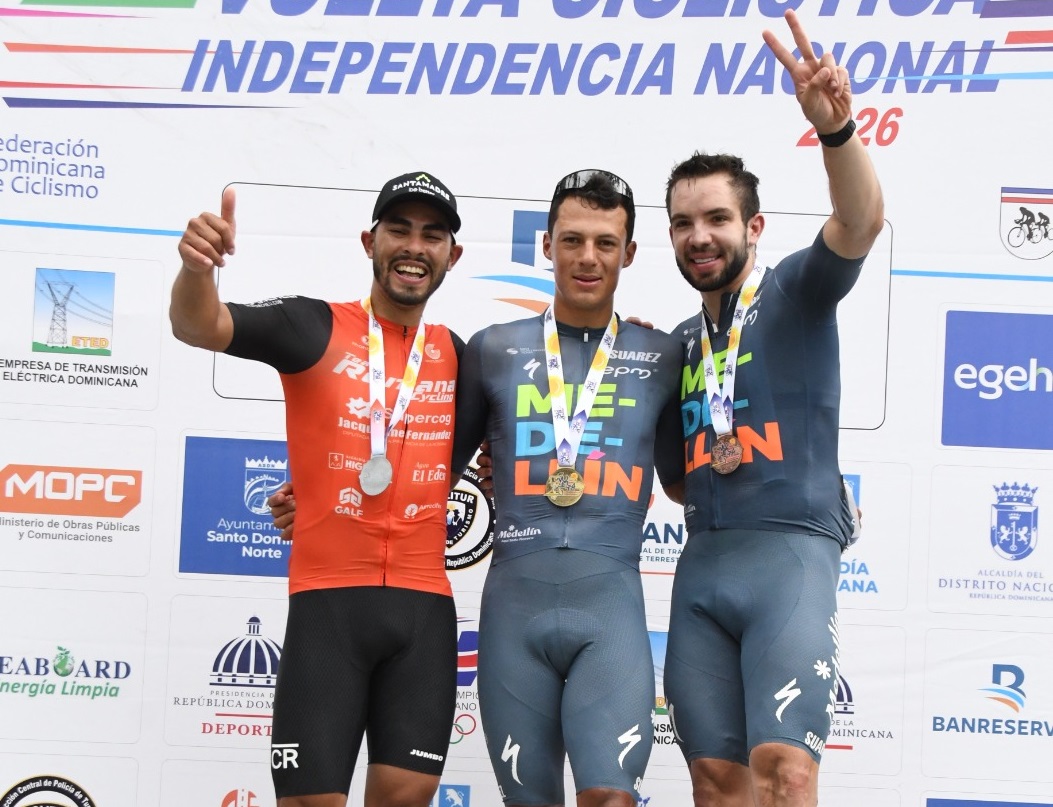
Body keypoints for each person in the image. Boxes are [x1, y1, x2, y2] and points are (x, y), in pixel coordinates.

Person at [171, 172, 466, 807]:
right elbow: (199, 325)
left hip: (423, 613)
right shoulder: (311, 325)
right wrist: (198, 270)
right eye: (399, 230)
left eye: (432, 235)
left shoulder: (460, 356)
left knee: (405, 801)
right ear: (369, 241)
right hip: (327, 608)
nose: (414, 247)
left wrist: (625, 337)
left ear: (453, 255)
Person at [661, 10, 885, 807]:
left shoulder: (792, 291)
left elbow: (859, 221)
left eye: (716, 218)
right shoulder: (677, 343)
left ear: (752, 226)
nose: (699, 236)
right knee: (714, 783)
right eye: (682, 223)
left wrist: (835, 130)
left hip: (788, 557)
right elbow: (676, 478)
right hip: (701, 569)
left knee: (785, 774)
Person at [450, 169, 685, 807]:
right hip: (513, 612)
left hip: (611, 608)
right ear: (546, 244)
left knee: (610, 799)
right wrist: (325, 491)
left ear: (628, 253)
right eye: (573, 240)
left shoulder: (663, 357)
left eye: (605, 243)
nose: (588, 257)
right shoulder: (491, 349)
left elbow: (688, 483)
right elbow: (431, 467)